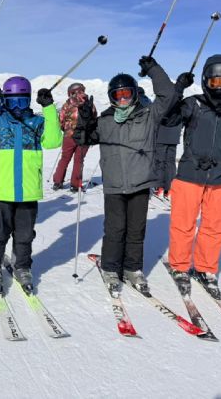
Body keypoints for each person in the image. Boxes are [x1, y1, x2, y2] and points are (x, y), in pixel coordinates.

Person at [73, 57, 175, 294]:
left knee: (136, 230)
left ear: (134, 94)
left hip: (140, 182)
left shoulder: (148, 115)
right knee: (115, 229)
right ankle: (110, 268)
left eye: (126, 94)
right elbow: (83, 139)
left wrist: (153, 70)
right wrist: (85, 119)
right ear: (111, 97)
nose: (122, 99)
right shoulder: (105, 120)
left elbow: (168, 95)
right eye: (117, 95)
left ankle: (132, 268)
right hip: (115, 185)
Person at [0, 77, 62, 293]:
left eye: (22, 101)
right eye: (12, 101)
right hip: (2, 189)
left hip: (28, 190)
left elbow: (53, 141)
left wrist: (49, 108)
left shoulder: (36, 122)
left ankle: (22, 265)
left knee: (25, 234)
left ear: (29, 100)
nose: (18, 107)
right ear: (5, 100)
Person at [166, 56, 221, 300]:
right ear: (206, 81)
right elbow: (168, 118)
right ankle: (180, 266)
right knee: (183, 224)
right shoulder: (194, 104)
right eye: (215, 82)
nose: (220, 87)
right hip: (190, 174)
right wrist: (177, 90)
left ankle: (205, 268)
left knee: (216, 226)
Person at [52, 82, 96, 192]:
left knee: (65, 158)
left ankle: (58, 182)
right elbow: (94, 117)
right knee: (79, 160)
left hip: (69, 135)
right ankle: (75, 185)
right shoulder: (89, 103)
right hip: (84, 135)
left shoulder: (67, 104)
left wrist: (66, 129)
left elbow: (61, 119)